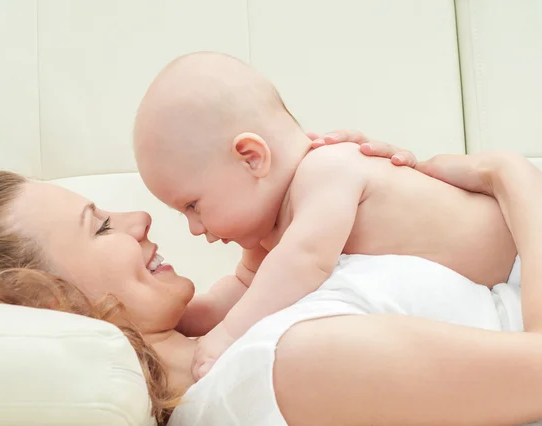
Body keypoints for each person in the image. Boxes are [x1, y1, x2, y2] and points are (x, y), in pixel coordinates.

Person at [0, 138, 541, 426]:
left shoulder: (250, 337)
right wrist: (509, 176)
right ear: (50, 301)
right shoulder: (284, 364)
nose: (140, 218)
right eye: (99, 227)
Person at [132, 52, 517, 379]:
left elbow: (304, 263)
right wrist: (178, 319)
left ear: (251, 158)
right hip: (495, 291)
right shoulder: (274, 235)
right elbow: (237, 294)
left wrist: (228, 335)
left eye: (192, 206)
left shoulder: (326, 170)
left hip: (520, 256)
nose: (195, 229)